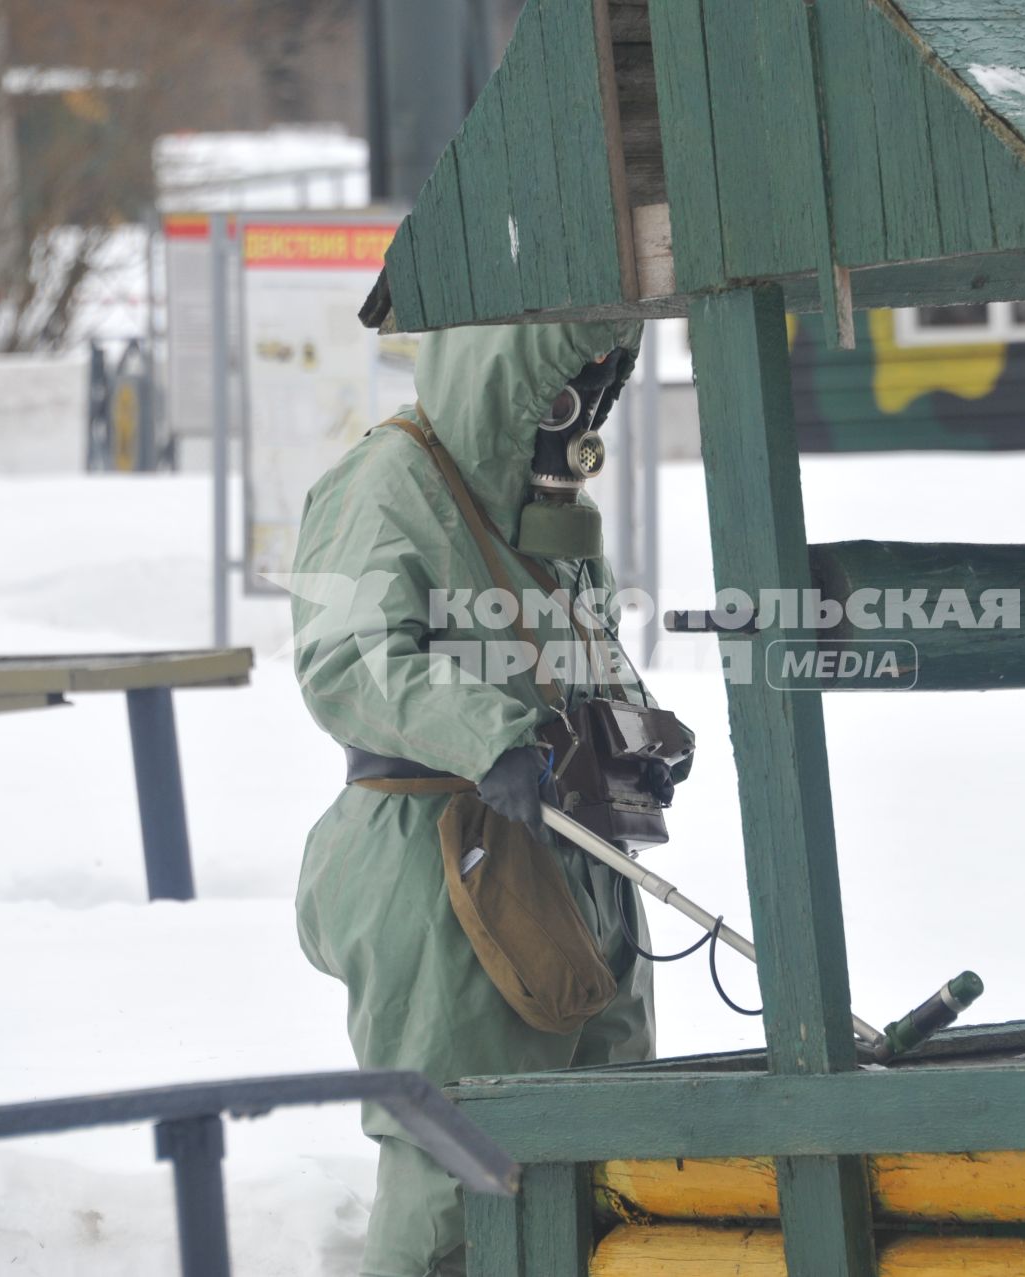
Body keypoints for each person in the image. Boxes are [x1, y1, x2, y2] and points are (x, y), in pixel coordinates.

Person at [289, 319, 689, 1277]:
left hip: (570, 858)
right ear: (511, 381)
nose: (582, 417)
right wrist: (492, 733)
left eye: (599, 393)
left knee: (607, 1143)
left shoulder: (532, 506)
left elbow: (581, 648)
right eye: (565, 391)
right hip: (439, 862)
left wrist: (636, 734)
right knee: (458, 1159)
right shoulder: (388, 481)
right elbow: (346, 655)